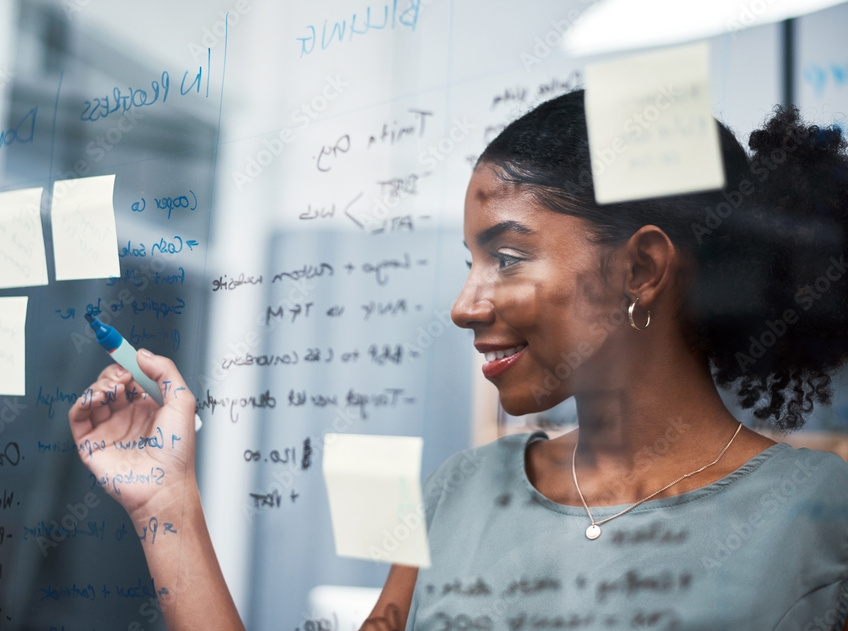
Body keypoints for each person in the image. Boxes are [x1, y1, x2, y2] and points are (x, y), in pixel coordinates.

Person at [68, 89, 848, 630]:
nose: (465, 305)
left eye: (507, 256)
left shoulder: (824, 517)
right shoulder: (459, 494)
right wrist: (164, 504)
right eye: (471, 262)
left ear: (640, 269)